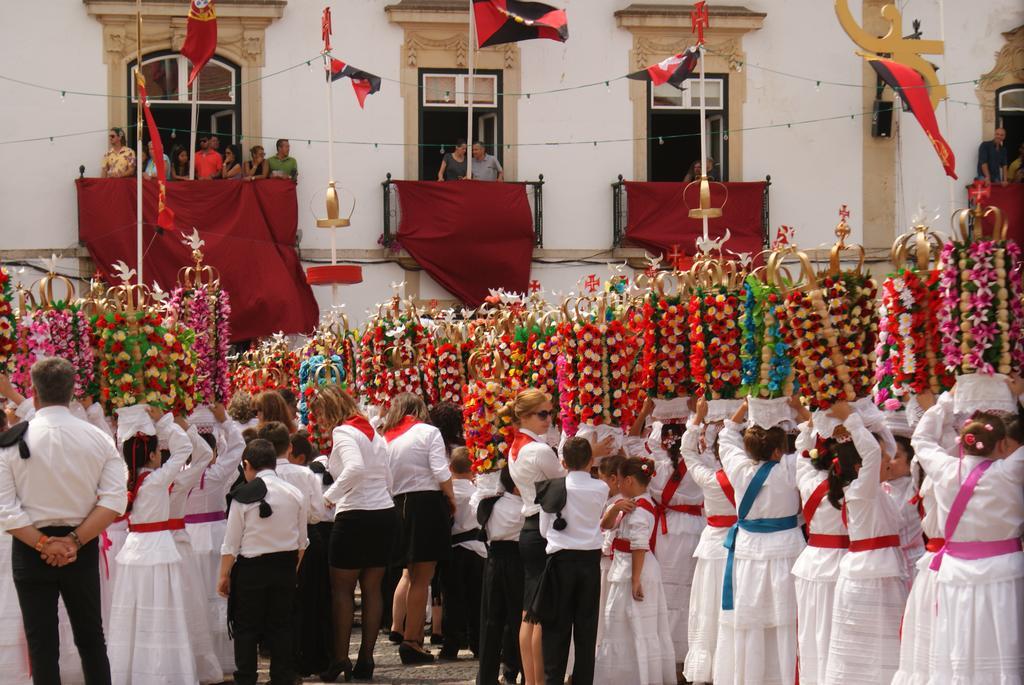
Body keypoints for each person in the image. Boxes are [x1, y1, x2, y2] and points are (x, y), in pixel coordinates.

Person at [0, 359, 128, 684]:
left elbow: (6, 510)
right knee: (91, 639)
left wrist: (46, 543)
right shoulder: (97, 439)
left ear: (34, 392)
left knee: (42, 644)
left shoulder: (12, 444)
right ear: (72, 393)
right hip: (80, 545)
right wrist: (73, 541)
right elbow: (114, 500)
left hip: (32, 548)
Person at [911, 391, 1024, 683]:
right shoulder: (1010, 471)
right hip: (1005, 573)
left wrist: (948, 400)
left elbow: (921, 439)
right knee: (1002, 649)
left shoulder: (946, 470)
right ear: (1002, 444)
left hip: (955, 575)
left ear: (964, 443)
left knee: (959, 649)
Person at [107, 408, 205, 684]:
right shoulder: (157, 478)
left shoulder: (126, 478)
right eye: (158, 449)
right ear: (151, 455)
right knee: (162, 611)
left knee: (135, 612)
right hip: (158, 547)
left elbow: (122, 448)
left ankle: (131, 671)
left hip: (134, 547)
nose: (161, 453)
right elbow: (184, 447)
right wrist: (163, 421)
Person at [311, 385, 397, 683]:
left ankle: (339, 658)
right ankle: (367, 658)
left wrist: (328, 497)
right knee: (372, 588)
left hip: (355, 513)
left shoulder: (344, 432)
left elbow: (354, 469)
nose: (319, 420)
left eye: (320, 413)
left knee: (342, 590)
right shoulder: (373, 432)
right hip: (383, 512)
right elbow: (387, 475)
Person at [715, 398, 803, 685]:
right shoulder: (791, 467)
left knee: (751, 620)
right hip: (787, 549)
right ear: (779, 450)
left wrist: (744, 408)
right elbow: (813, 435)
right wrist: (799, 409)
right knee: (786, 620)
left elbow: (726, 436)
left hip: (749, 551)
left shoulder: (739, 468)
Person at [822, 402, 907, 684]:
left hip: (879, 575)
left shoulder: (871, 487)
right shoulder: (861, 490)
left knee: (883, 651)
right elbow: (873, 452)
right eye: (883, 458)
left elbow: (886, 450)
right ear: (862, 467)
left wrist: (871, 421)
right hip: (869, 579)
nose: (889, 461)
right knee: (868, 655)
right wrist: (851, 420)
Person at [218, 438, 308, 685]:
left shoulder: (240, 497)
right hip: (285, 567)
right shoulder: (295, 493)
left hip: (251, 570)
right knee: (281, 625)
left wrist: (224, 575)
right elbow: (302, 542)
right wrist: (292, 570)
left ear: (246, 464)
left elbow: (231, 544)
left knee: (245, 628)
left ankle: (246, 679)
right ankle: (282, 678)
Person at [383, 392, 456, 664]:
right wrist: (450, 498)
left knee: (411, 575)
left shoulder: (388, 437)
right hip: (426, 503)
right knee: (423, 577)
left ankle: (407, 634)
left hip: (399, 503)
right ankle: (413, 640)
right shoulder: (428, 432)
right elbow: (440, 471)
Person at [256, 421, 331, 677]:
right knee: (310, 602)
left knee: (277, 605)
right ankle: (310, 657)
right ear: (289, 447)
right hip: (307, 539)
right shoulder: (305, 474)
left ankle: (281, 662)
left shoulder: (259, 476)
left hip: (271, 541)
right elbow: (317, 513)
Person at [593, 456, 676, 685]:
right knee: (624, 627)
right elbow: (606, 525)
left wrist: (635, 580)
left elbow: (639, 546)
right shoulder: (630, 504)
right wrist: (613, 508)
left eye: (619, 481)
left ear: (629, 480)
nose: (617, 486)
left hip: (634, 570)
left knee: (635, 626)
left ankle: (636, 678)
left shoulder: (640, 510)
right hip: (626, 569)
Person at [534, 436, 608, 685]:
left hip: (560, 562)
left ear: (563, 462)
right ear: (592, 461)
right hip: (589, 563)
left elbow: (544, 531)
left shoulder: (551, 487)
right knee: (586, 629)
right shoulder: (601, 488)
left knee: (556, 628)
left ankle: (552, 680)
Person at [505, 389, 562, 685]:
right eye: (543, 414)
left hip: (528, 527)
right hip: (541, 527)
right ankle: (538, 680)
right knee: (539, 611)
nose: (549, 419)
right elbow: (564, 483)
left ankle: (531, 680)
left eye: (551, 412)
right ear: (525, 416)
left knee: (529, 610)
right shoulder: (539, 450)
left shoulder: (516, 446)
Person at [184, 406, 245, 676]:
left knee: (196, 597)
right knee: (216, 595)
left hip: (188, 539)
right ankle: (219, 659)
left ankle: (199, 659)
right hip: (215, 536)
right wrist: (225, 421)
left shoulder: (180, 475)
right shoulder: (216, 474)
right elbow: (239, 446)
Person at [679, 416, 737, 685]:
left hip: (714, 547)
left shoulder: (710, 479)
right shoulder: (751, 479)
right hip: (741, 548)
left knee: (708, 609)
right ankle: (733, 667)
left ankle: (707, 671)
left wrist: (697, 420)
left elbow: (687, 451)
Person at [475, 466, 526, 685]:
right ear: (516, 487)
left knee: (491, 621)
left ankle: (485, 678)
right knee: (519, 620)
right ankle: (524, 672)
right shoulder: (525, 507)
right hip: (517, 561)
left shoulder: (488, 503)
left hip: (493, 561)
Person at [441, 448, 486, 660]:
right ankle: (478, 644)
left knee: (452, 598)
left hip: (453, 551)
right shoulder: (475, 493)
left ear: (450, 468)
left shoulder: (445, 493)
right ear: (473, 469)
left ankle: (451, 645)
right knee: (476, 600)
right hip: (477, 551)